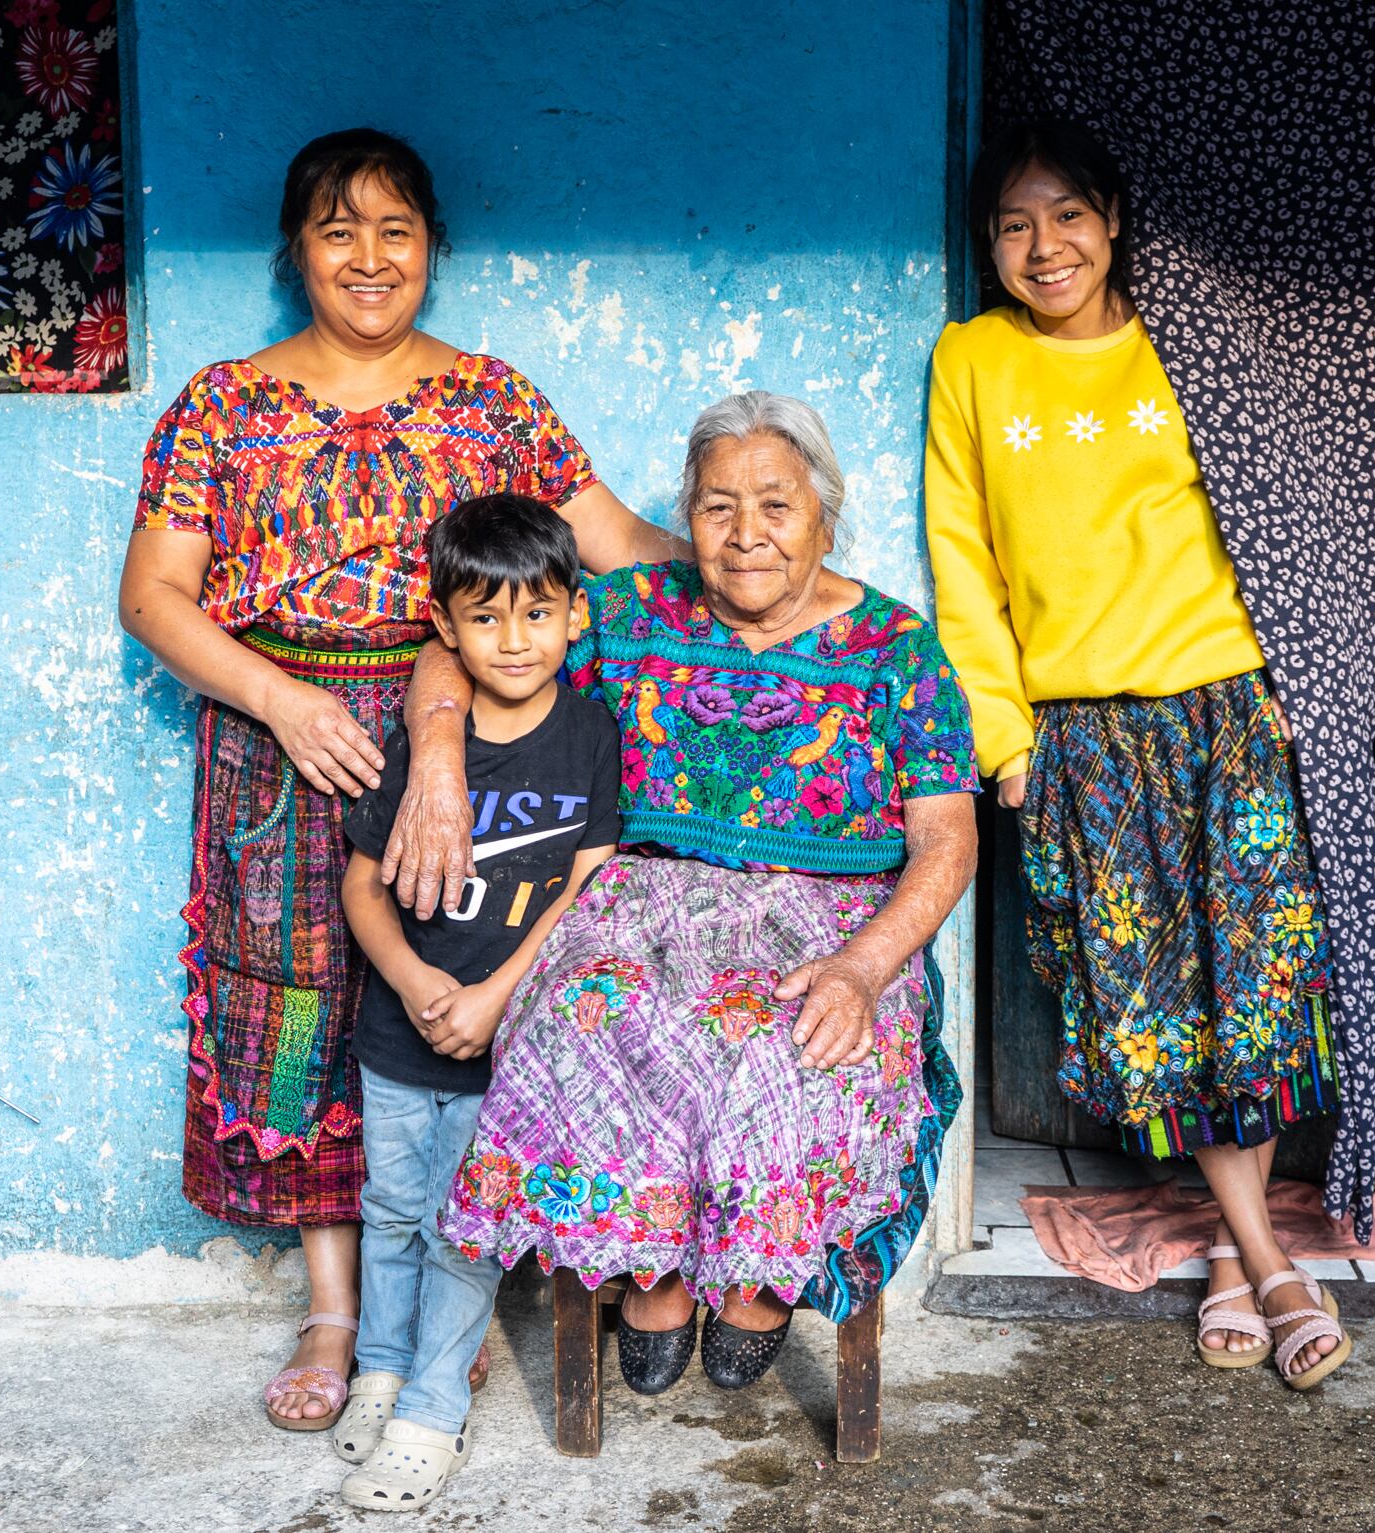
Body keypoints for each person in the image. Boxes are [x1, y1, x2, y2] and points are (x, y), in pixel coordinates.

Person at [117, 126, 674, 1430]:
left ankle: (442, 1295)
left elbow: (618, 549)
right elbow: (152, 594)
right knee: (313, 1010)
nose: (369, 258)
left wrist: (763, 560)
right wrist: (282, 696)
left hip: (479, 743)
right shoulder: (220, 404)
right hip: (286, 751)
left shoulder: (496, 400)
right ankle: (334, 1312)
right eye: (336, 228)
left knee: (460, 1007)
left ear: (432, 246)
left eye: (396, 230)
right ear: (293, 249)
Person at [414, 391, 978, 1394]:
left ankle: (759, 1283)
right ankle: (653, 1261)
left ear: (823, 515)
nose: (744, 534)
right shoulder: (626, 610)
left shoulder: (896, 650)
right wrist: (436, 761)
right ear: (688, 514)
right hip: (641, 900)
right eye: (717, 507)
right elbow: (460, 648)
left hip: (833, 919)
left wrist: (861, 969)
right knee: (589, 1011)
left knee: (796, 1044)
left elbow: (946, 839)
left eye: (775, 506)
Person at [923, 120, 1351, 1388]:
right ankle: (1255, 1252)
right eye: (1012, 224)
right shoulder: (973, 362)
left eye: (1064, 215)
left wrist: (1298, 689)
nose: (1041, 246)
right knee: (1143, 1004)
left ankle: (1249, 1261)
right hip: (1078, 734)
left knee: (1254, 995)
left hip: (1223, 712)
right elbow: (964, 562)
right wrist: (1001, 737)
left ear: (1112, 219)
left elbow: (1282, 511)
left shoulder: (1190, 350)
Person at [328, 494, 618, 1508]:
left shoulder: (589, 737)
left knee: (463, 1227)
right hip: (397, 1038)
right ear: (443, 626)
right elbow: (363, 887)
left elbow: (587, 889)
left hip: (510, 1043)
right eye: (485, 618)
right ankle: (378, 1371)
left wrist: (497, 994)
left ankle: (432, 1412)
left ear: (573, 616)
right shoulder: (418, 744)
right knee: (392, 1212)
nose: (513, 639)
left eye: (536, 613)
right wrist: (413, 982)